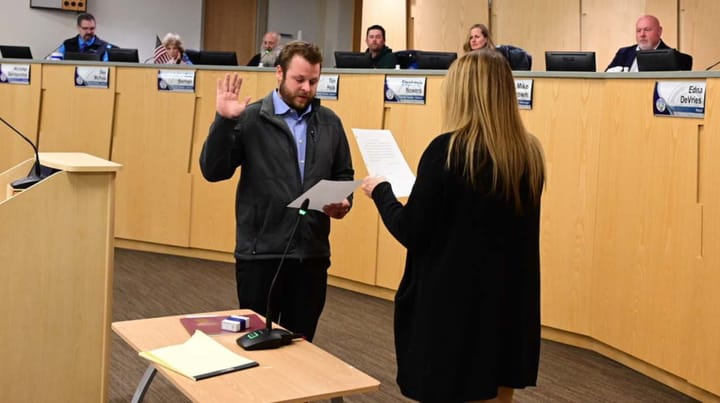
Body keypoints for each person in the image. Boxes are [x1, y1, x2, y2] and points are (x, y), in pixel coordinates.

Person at [361, 49, 545, 402]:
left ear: (463, 93)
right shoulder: (527, 154)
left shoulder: (447, 151)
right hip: (506, 305)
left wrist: (382, 192)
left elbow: (412, 230)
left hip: (452, 309)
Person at [199, 41, 354, 342]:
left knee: (301, 346)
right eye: (299, 80)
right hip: (260, 256)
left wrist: (345, 201)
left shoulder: (330, 122)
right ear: (279, 74)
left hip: (311, 255)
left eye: (313, 81)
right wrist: (224, 121)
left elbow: (343, 174)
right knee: (256, 345)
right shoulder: (251, 117)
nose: (307, 88)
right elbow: (213, 171)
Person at [606, 15, 670, 72]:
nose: (642, 35)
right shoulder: (623, 53)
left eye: (647, 30)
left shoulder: (672, 57)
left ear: (659, 31)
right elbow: (606, 78)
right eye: (638, 31)